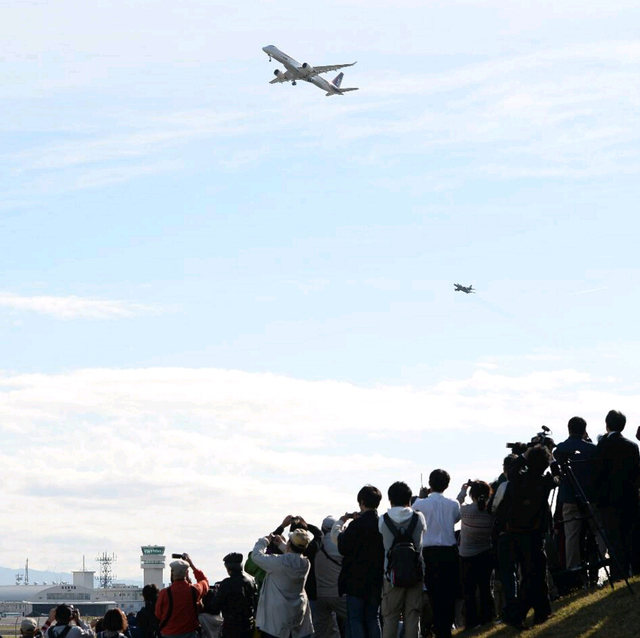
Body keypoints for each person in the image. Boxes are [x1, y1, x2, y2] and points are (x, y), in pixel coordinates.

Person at [500, 445, 560, 629]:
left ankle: (542, 612)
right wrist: (553, 460)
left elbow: (511, 470)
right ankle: (517, 614)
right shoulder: (545, 482)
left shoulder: (518, 479)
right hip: (534, 533)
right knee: (535, 574)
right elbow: (558, 477)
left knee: (531, 574)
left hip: (515, 532)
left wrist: (523, 456)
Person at [331, 485, 385, 638]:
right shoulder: (382, 524)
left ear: (361, 501)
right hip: (376, 579)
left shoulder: (355, 525)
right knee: (373, 618)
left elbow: (341, 544)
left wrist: (341, 521)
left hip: (355, 580)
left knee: (355, 620)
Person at [412, 469, 460, 638]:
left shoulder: (419, 504)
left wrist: (421, 497)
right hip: (449, 550)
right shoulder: (454, 504)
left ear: (429, 484)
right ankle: (445, 627)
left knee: (433, 592)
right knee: (449, 592)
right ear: (447, 485)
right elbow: (455, 519)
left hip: (429, 552)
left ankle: (435, 626)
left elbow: (413, 515)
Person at [553, 416, 604, 569]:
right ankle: (600, 561)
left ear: (569, 429)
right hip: (590, 495)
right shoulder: (593, 449)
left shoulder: (560, 450)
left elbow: (555, 456)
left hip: (569, 497)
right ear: (584, 430)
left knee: (572, 535)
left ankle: (573, 567)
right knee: (599, 530)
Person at [595, 409, 640, 581]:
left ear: (607, 424)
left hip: (609, 501)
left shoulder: (602, 446)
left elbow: (597, 474)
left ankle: (618, 574)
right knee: (631, 537)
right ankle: (635, 569)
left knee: (614, 540)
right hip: (629, 498)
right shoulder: (632, 446)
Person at [378, 481, 425, 638]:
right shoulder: (419, 518)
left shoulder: (383, 520)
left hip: (391, 575)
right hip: (416, 573)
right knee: (412, 615)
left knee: (390, 617)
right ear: (409, 499)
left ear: (390, 499)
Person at [251, 528, 315, 638]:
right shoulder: (305, 564)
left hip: (276, 621)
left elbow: (256, 556)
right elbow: (294, 556)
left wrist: (264, 540)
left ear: (289, 544)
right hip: (298, 615)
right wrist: (281, 544)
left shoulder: (279, 562)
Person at [456, 480, 495, 629]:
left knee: (469, 591)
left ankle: (470, 622)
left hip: (466, 555)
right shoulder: (491, 511)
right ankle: (487, 617)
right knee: (485, 587)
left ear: (472, 495)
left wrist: (463, 491)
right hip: (486, 552)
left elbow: (457, 503)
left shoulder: (465, 511)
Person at [203, 553, 258, 638]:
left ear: (228, 568)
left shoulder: (227, 584)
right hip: (248, 626)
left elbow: (215, 606)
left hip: (232, 628)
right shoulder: (251, 581)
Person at [155, 554, 209, 638]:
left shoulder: (164, 593)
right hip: (190, 633)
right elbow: (204, 581)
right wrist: (191, 564)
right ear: (187, 573)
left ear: (172, 573)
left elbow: (158, 614)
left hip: (168, 634)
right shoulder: (195, 590)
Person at [313, 516, 347, 638]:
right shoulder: (340, 544)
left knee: (321, 631)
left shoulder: (315, 545)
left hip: (319, 595)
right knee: (354, 621)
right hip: (338, 593)